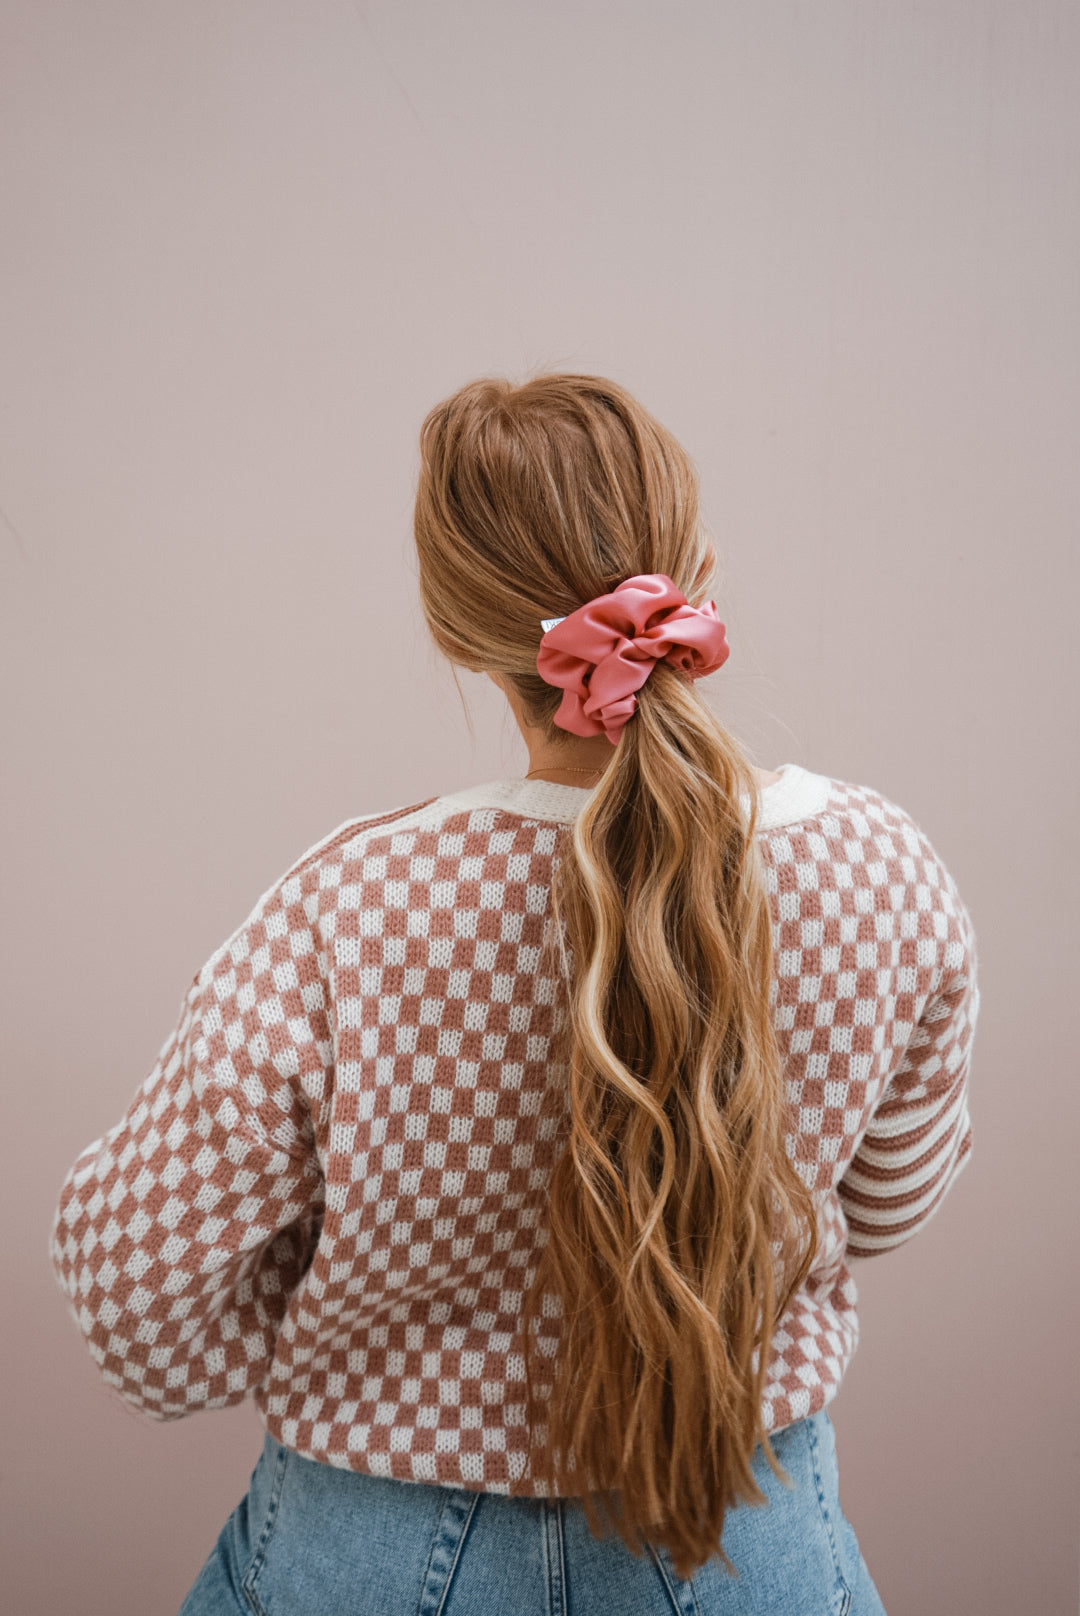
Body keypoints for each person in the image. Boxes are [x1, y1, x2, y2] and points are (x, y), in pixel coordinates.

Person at [49, 373, 979, 1615]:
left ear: (456, 628)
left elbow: (138, 1309)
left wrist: (340, 1320)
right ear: (695, 571)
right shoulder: (880, 868)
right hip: (745, 1528)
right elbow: (889, 1202)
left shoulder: (348, 908)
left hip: (372, 1555)